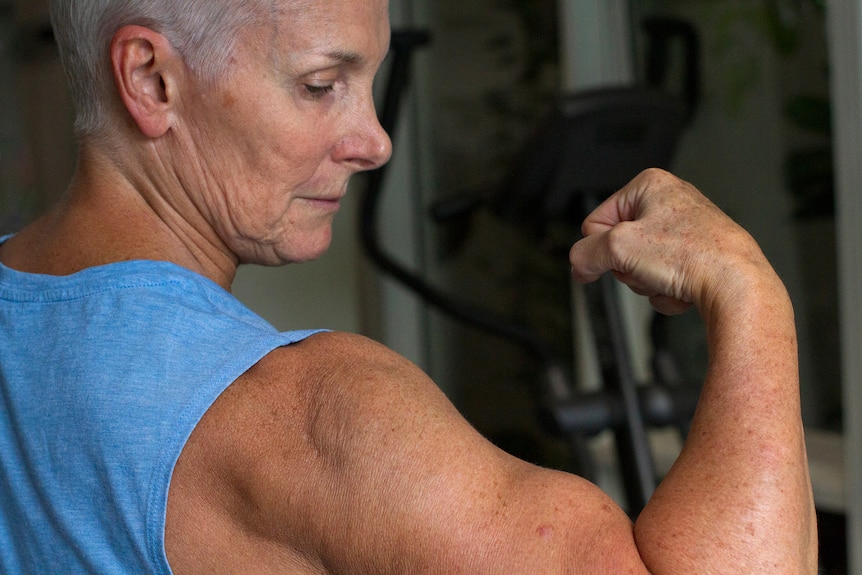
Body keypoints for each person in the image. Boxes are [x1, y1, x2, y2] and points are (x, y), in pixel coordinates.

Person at [0, 0, 817, 573]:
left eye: (370, 82)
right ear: (149, 78)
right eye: (323, 84)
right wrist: (748, 292)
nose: (377, 140)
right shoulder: (309, 415)